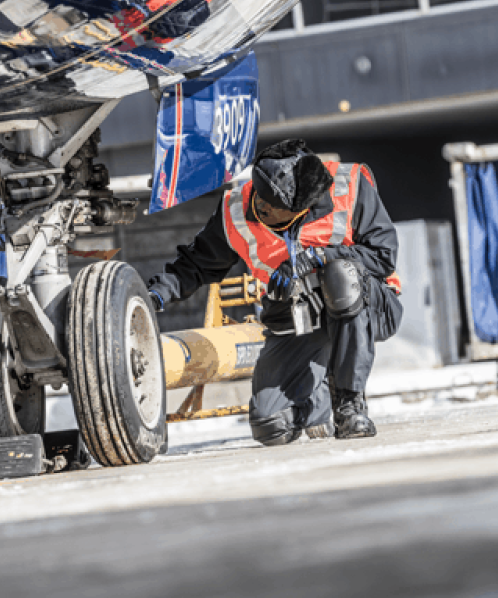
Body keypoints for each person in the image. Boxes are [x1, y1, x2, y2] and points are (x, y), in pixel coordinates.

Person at [147, 139, 403, 445]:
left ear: (299, 210)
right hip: (296, 319)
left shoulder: (350, 185)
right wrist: (154, 296)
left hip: (368, 307)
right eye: (263, 203)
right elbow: (195, 265)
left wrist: (318, 258)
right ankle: (317, 396)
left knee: (340, 275)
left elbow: (383, 256)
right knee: (271, 426)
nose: (264, 210)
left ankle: (349, 404)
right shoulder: (236, 211)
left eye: (275, 209)